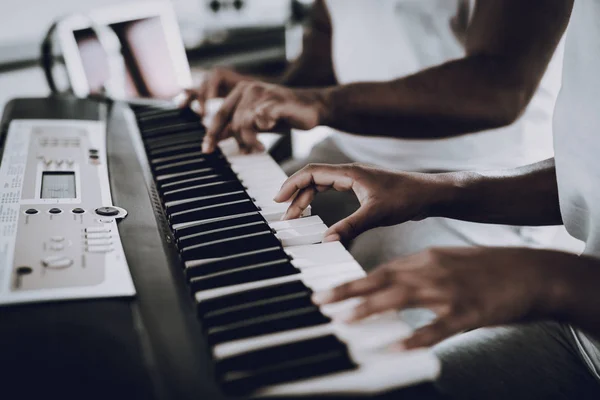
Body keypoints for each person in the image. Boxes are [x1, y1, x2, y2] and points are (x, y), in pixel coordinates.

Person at [268, 0, 600, 398]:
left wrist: (544, 278)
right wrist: (433, 191)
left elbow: (499, 85)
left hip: (580, 316)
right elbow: (586, 173)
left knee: (370, 343)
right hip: (582, 336)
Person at [180, 0, 570, 274]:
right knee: (242, 221)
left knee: (374, 273)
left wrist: (319, 103)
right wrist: (267, 96)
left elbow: (497, 88)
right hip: (351, 154)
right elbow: (323, 60)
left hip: (479, 178)